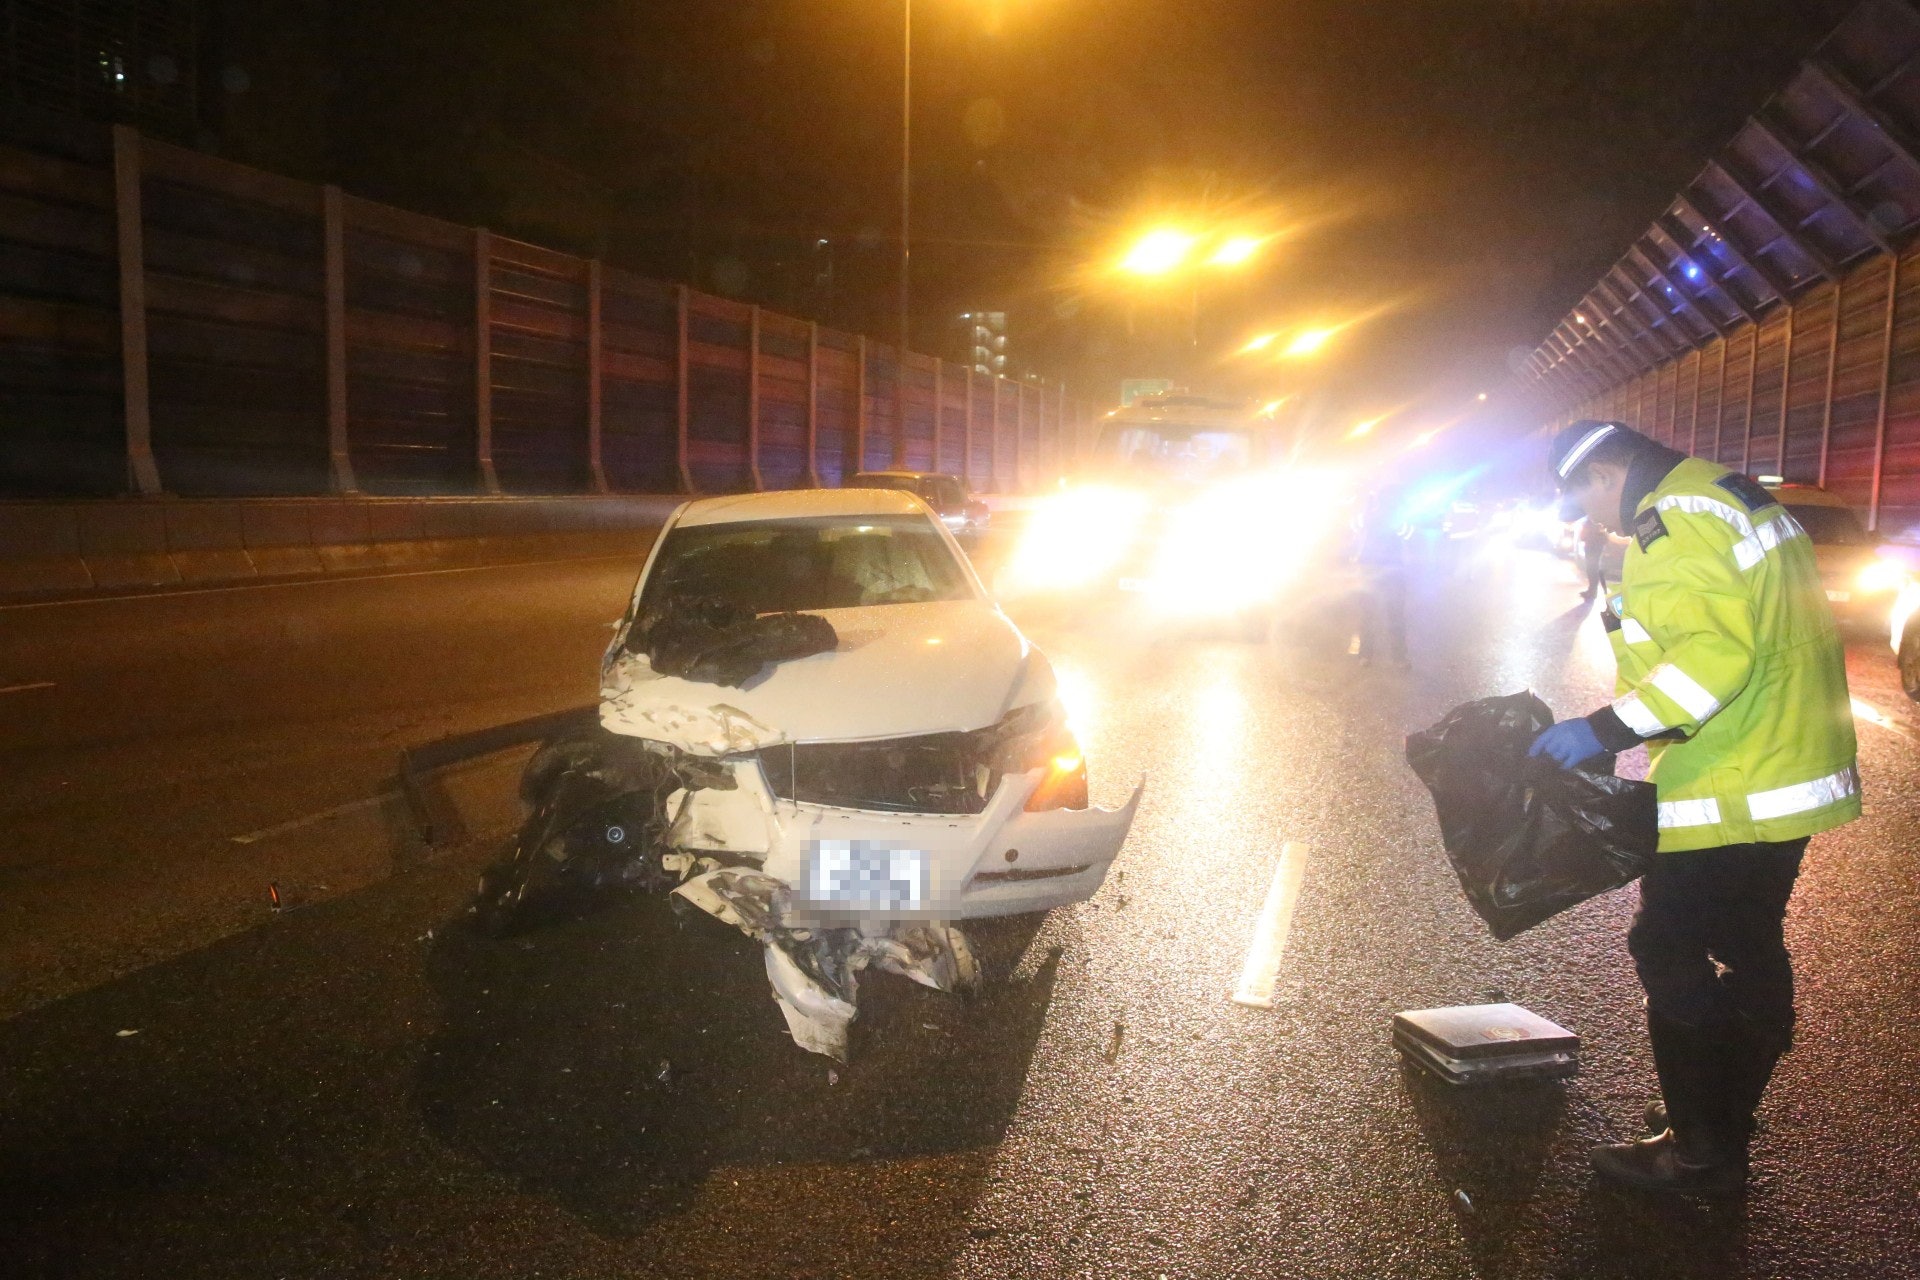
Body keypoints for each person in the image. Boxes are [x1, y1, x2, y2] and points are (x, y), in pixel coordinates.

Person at [1528, 419, 1859, 1195]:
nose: (1588, 521)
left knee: (1666, 945)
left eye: (1583, 500)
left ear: (1607, 471)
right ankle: (1719, 1118)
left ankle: (1700, 1151)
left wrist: (1602, 729)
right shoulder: (1728, 493)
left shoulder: (1672, 518)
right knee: (1748, 943)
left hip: (1733, 775)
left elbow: (1713, 655)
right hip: (1788, 759)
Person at [1351, 488, 1410, 667]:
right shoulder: (1367, 515)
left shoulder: (1394, 517)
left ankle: (1372, 656)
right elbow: (1356, 527)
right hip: (1377, 567)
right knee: (1379, 613)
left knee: (1386, 614)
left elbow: (1406, 532)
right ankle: (1391, 657)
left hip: (1384, 568)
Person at [1578, 516, 1609, 601]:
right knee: (1591, 568)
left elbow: (1602, 535)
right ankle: (1591, 590)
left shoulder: (1594, 520)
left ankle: (1592, 591)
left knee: (1592, 568)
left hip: (1593, 546)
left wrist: (1585, 537)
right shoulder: (1594, 519)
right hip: (1593, 545)